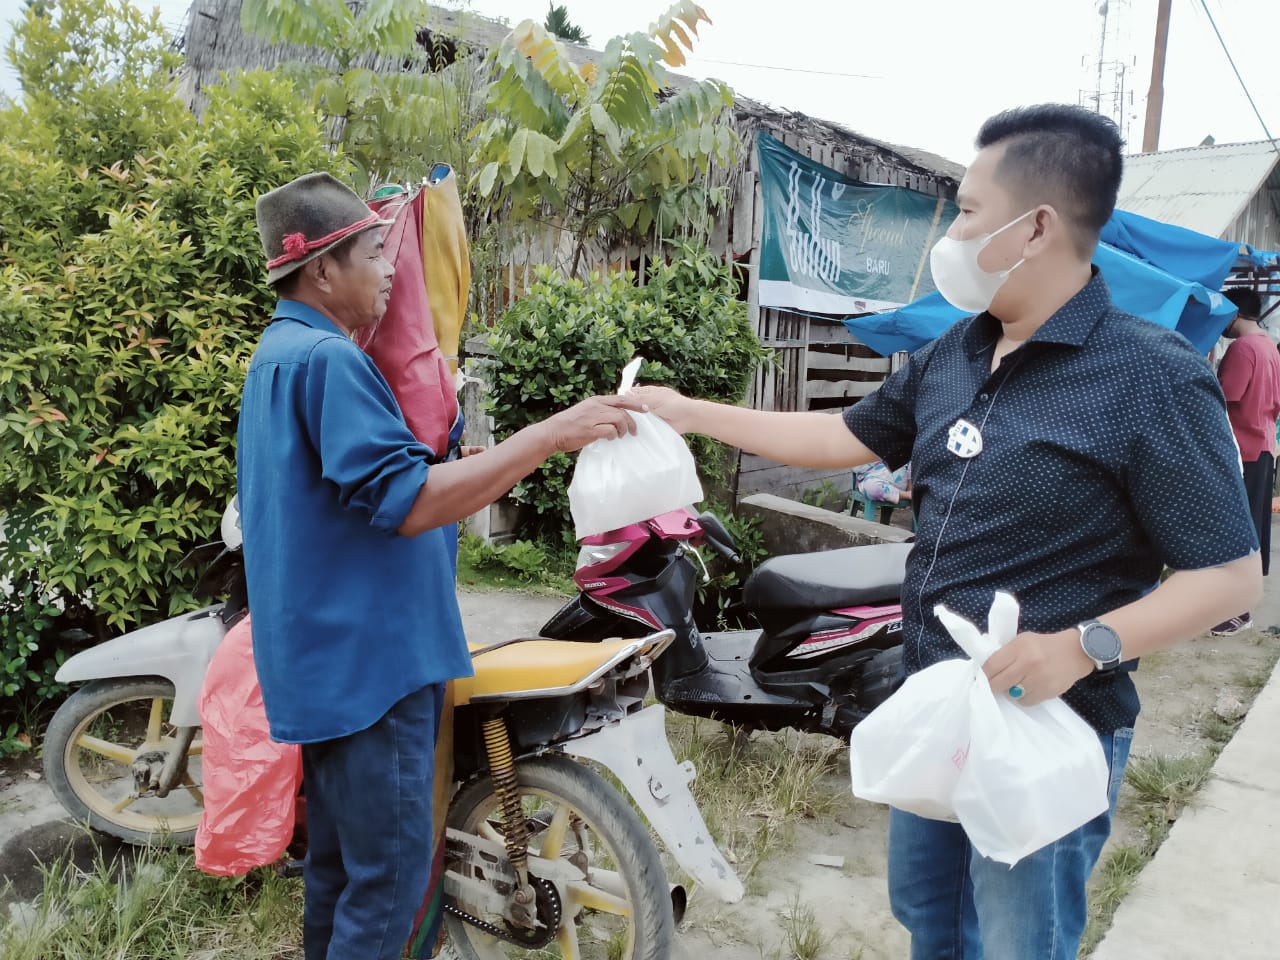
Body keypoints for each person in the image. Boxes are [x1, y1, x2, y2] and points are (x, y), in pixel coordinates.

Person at [631, 104, 1261, 960]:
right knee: (929, 920)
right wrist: (685, 411)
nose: (951, 234)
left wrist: (1083, 646)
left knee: (1015, 944)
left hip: (1052, 724)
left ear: (1035, 227)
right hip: (938, 705)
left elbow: (1228, 578)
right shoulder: (957, 352)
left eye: (966, 212)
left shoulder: (1150, 377)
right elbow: (840, 436)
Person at [237, 171, 637, 960]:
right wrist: (550, 435)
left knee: (340, 871)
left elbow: (362, 489)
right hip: (374, 670)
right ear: (323, 270)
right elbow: (410, 501)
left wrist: (474, 463)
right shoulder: (329, 360)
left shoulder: (279, 355)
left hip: (325, 666)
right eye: (373, 254)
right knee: (388, 886)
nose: (391, 269)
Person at [1211, 287, 1280, 635]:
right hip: (1263, 444)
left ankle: (1237, 610)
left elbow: (1226, 396)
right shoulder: (1269, 346)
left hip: (1243, 448)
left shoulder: (1242, 348)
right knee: (1254, 526)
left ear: (1234, 313)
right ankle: (1240, 606)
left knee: (1237, 529)